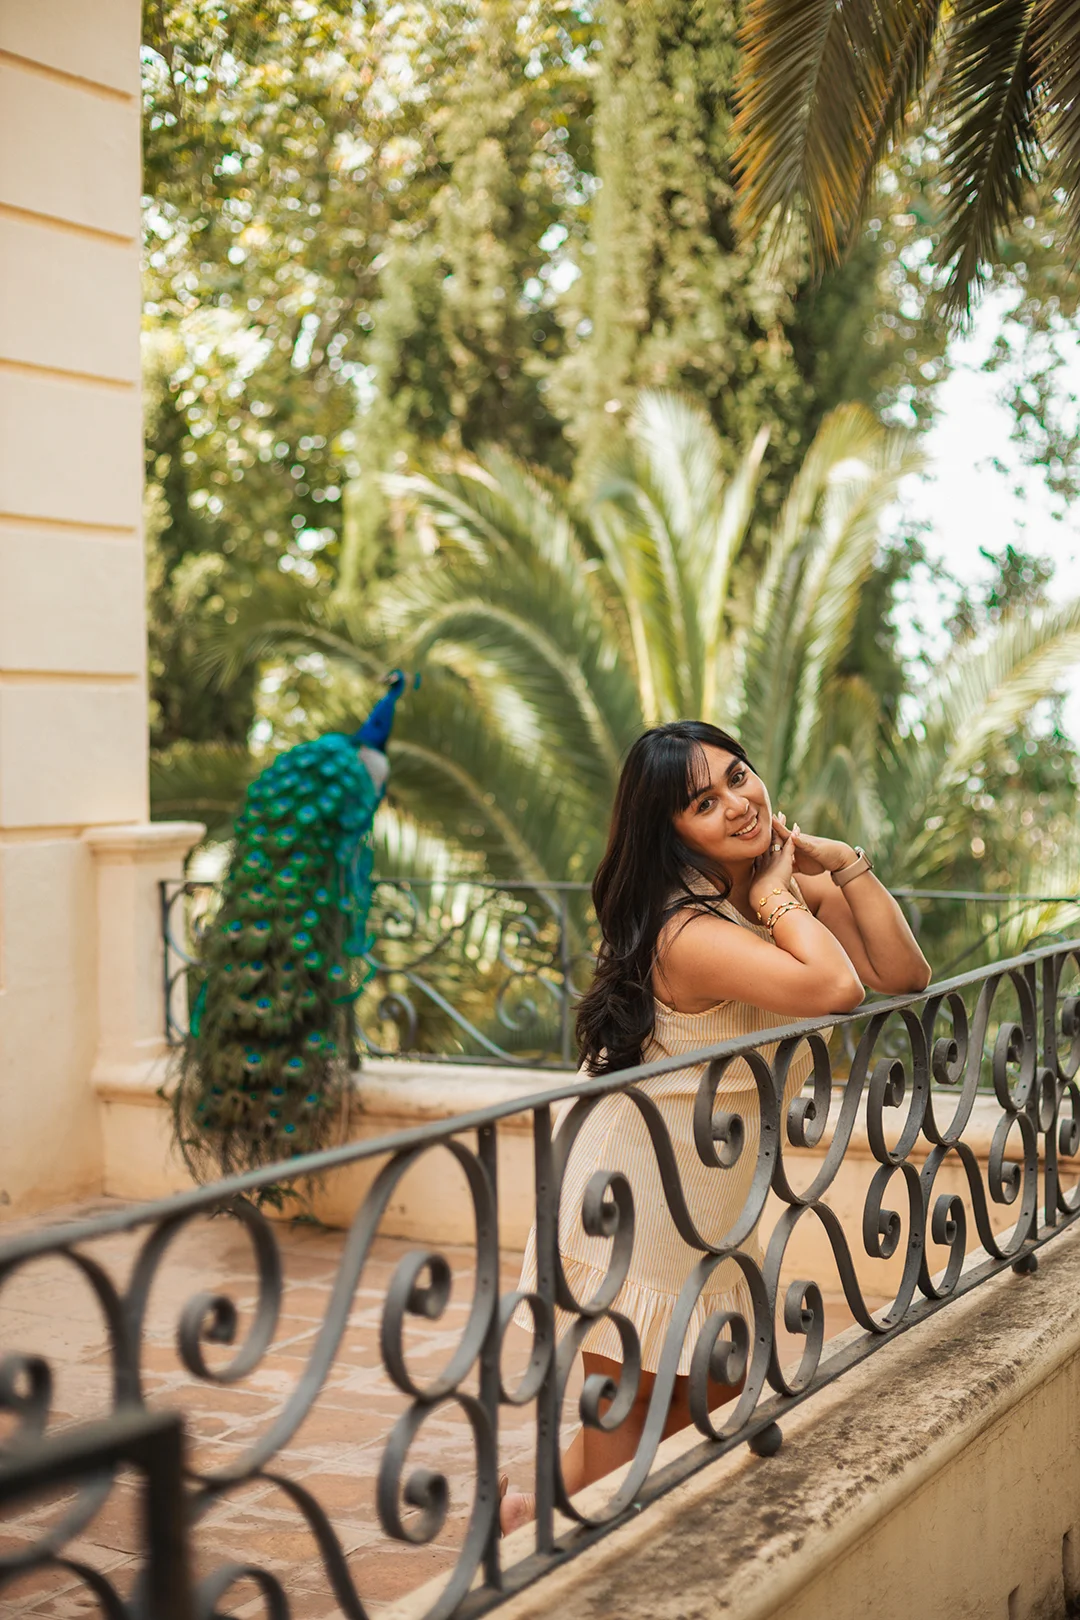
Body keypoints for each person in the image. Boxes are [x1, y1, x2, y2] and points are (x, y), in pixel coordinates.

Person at [500, 721, 931, 1535]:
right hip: (630, 1198)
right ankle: (539, 1578)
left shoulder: (776, 888)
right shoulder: (687, 932)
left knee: (698, 1418)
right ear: (671, 833)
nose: (739, 804)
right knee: (627, 1439)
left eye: (739, 776)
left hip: (702, 1201)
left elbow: (904, 973)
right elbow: (838, 988)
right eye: (705, 801)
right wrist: (778, 897)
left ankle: (520, 1528)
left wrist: (843, 865)